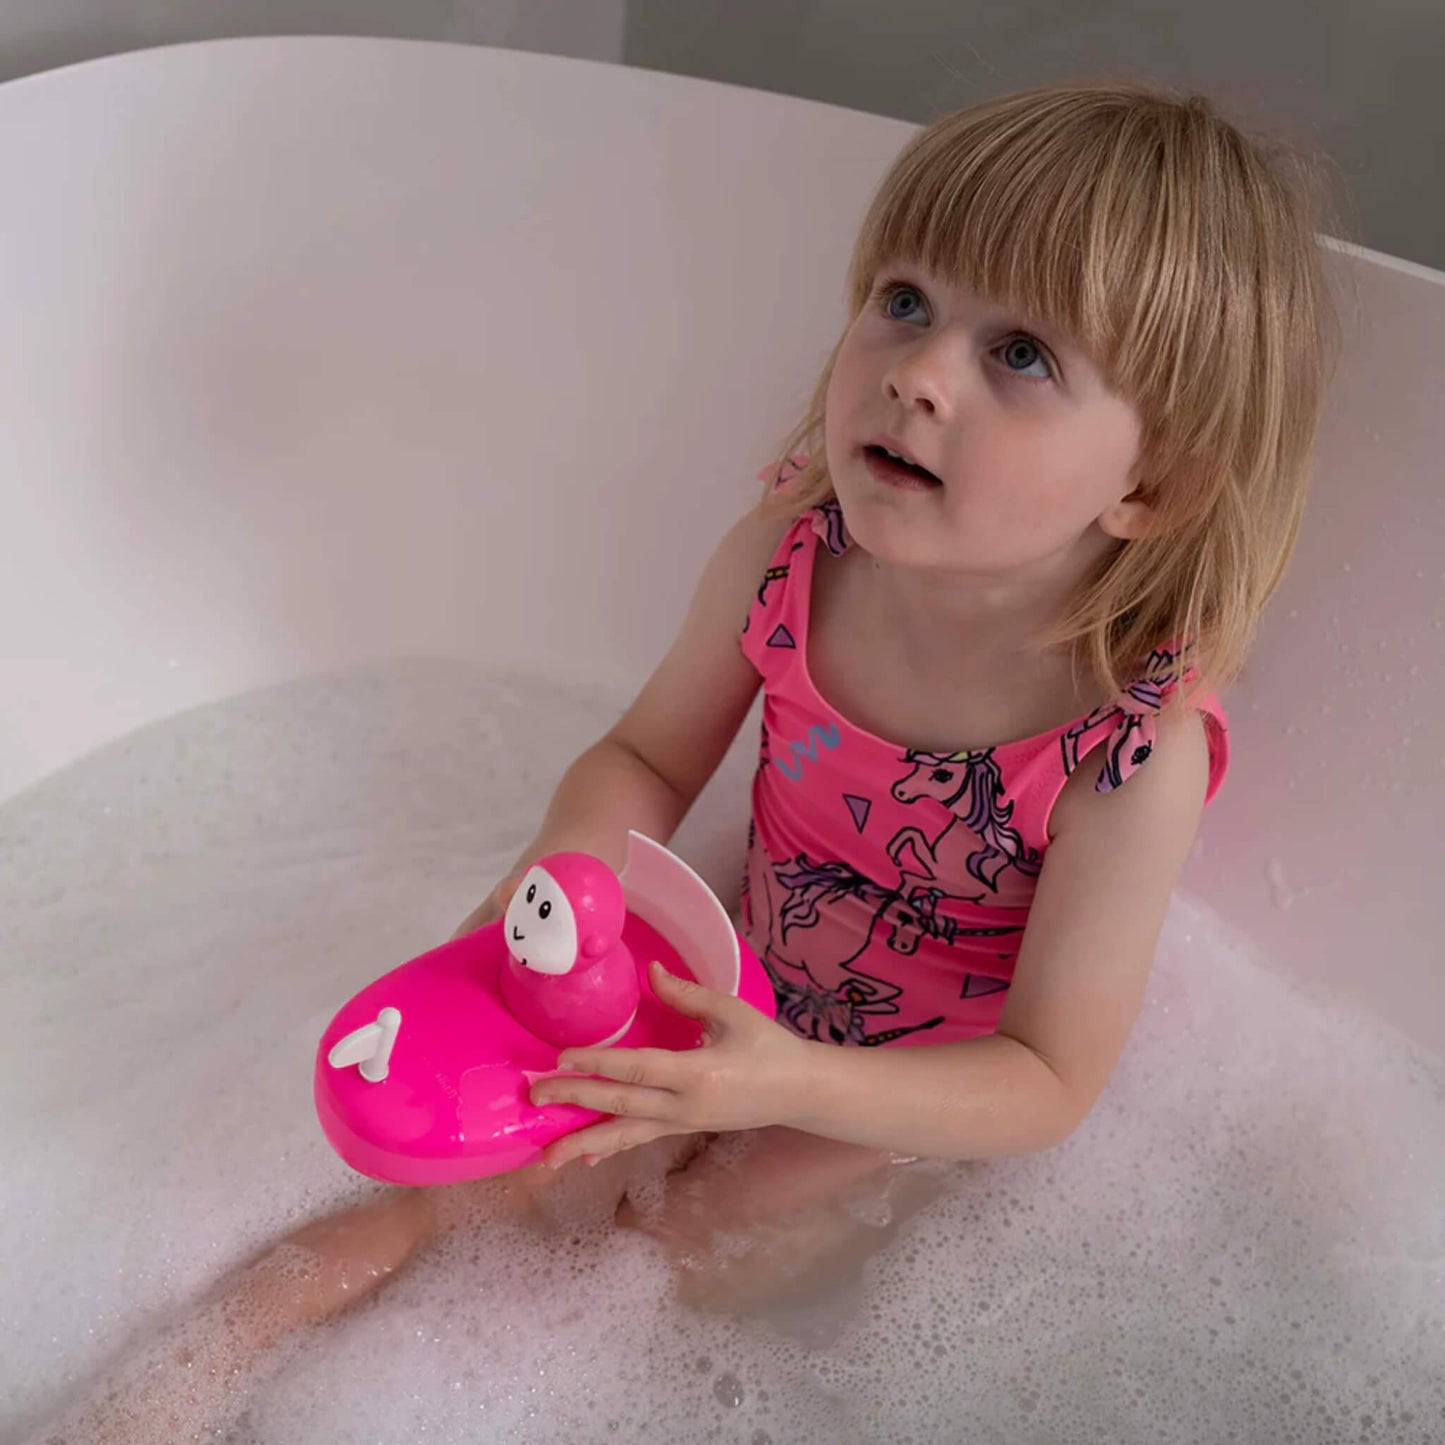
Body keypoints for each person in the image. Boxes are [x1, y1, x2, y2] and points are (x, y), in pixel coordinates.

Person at [33, 79, 1339, 1439]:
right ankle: (181, 1367)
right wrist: (559, 886)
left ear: (1149, 485)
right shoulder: (789, 558)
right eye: (903, 299)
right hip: (716, 980)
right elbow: (645, 756)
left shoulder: (1128, 751)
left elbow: (1045, 1079)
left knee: (627, 1268)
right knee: (453, 1192)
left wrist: (776, 1082)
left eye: (1018, 354)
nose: (918, 370)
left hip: (890, 1101)